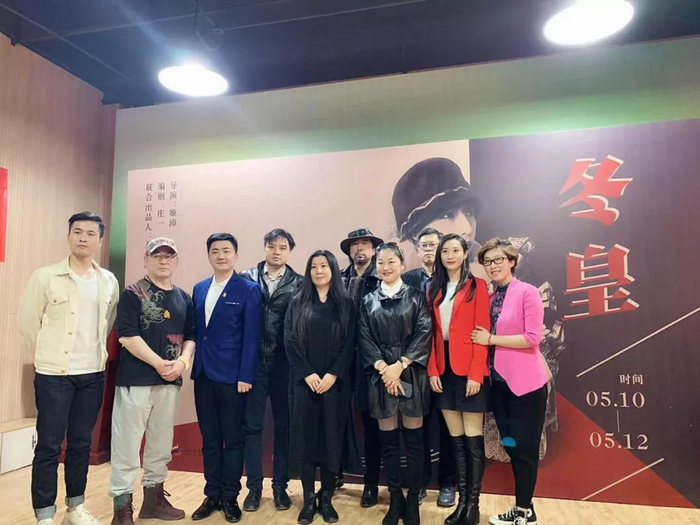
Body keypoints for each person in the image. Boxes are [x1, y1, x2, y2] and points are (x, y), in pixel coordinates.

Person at [18, 212, 119, 525]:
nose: (83, 238)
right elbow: (29, 322)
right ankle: (44, 515)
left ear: (100, 241)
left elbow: (108, 322)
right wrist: (47, 357)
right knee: (49, 446)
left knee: (81, 444)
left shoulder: (108, 281)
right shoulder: (46, 277)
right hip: (54, 376)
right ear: (68, 236)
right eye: (77, 232)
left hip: (92, 374)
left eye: (90, 233)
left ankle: (75, 508)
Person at [109, 237, 196, 525]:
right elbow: (127, 335)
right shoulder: (133, 293)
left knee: (161, 444)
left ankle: (153, 500)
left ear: (176, 261)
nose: (163, 260)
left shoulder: (184, 298)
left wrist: (182, 363)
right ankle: (122, 509)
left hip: (169, 382)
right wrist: (159, 363)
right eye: (157, 255)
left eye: (169, 256)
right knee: (127, 445)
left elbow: (191, 336)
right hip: (136, 380)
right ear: (146, 259)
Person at [473, 238, 547, 525]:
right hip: (499, 386)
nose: (493, 266)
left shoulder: (528, 292)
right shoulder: (491, 298)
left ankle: (524, 512)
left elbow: (532, 338)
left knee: (525, 450)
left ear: (512, 261)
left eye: (498, 260)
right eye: (488, 262)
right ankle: (523, 507)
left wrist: (491, 339)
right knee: (512, 446)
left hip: (526, 386)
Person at [357, 243, 432, 525]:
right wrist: (383, 368)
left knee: (414, 442)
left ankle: (413, 499)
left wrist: (399, 366)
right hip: (380, 376)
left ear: (402, 265)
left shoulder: (416, 296)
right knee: (388, 443)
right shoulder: (368, 300)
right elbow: (364, 337)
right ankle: (395, 499)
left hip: (410, 371)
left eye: (391, 262)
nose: (385, 267)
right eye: (381, 263)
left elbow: (424, 331)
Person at [190, 233, 263, 523]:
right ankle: (212, 494)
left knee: (232, 439)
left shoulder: (248, 289)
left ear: (236, 255)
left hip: (233, 378)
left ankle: (230, 496)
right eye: (215, 251)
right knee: (210, 439)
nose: (221, 256)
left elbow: (252, 336)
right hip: (203, 375)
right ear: (209, 255)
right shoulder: (199, 288)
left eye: (226, 251)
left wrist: (246, 374)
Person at [284, 250, 356, 524]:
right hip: (305, 385)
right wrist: (307, 373)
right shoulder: (297, 302)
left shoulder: (346, 304)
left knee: (330, 441)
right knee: (305, 441)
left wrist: (333, 374)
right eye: (313, 267)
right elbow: (289, 340)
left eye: (324, 266)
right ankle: (308, 498)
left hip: (334, 386)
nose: (318, 271)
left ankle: (326, 497)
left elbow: (350, 343)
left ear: (333, 270)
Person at [427, 233, 490, 525]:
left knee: (472, 441)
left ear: (465, 254)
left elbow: (482, 331)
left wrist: (477, 373)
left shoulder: (478, 286)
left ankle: (473, 506)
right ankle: (461, 504)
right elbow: (430, 334)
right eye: (445, 251)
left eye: (455, 250)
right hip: (444, 369)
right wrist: (432, 369)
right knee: (455, 442)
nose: (450, 256)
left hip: (469, 369)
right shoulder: (434, 288)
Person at [240, 229, 302, 512]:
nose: (277, 252)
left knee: (283, 427)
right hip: (252, 364)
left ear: (290, 251)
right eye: (272, 246)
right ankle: (254, 488)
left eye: (283, 247)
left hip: (284, 364)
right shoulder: (245, 278)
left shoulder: (300, 283)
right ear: (264, 247)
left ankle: (280, 487)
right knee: (252, 427)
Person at [403, 227, 458, 508]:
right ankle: (419, 481)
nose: (428, 249)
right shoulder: (406, 279)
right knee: (418, 426)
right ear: (416, 249)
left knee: (448, 425)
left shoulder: (451, 279)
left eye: (433, 245)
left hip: (445, 362)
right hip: (414, 364)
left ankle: (448, 482)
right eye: (423, 245)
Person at [339, 228, 383, 506]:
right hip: (340, 359)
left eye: (365, 243)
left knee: (372, 422)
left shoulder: (381, 278)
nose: (360, 248)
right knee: (336, 419)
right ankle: (334, 474)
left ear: (374, 249)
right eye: (355, 245)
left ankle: (371, 483)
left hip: (370, 360)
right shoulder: (338, 278)